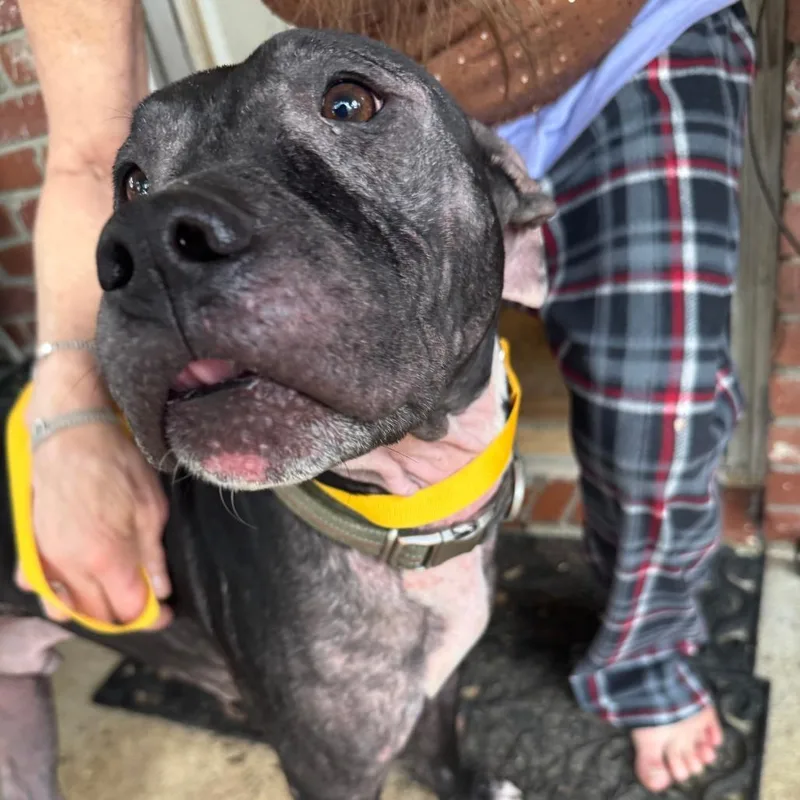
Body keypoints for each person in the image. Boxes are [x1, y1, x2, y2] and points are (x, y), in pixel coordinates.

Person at [18, 0, 754, 792]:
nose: (155, 234)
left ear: (515, 240)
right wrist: (70, 414)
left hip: (635, 47)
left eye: (345, 106)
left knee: (659, 418)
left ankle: (624, 682)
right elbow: (91, 156)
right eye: (140, 186)